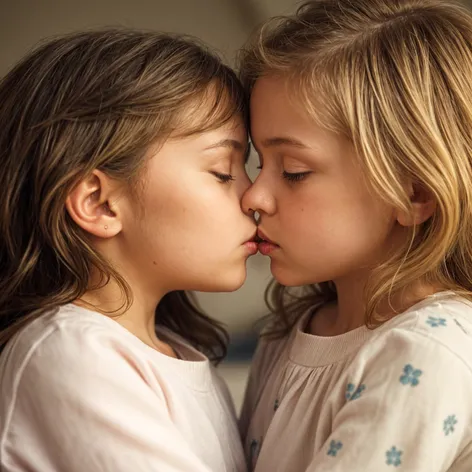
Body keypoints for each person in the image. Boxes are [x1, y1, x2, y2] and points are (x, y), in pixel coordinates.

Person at [0, 28, 256, 471]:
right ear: (99, 203)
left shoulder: (176, 354)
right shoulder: (71, 352)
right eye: (221, 172)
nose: (254, 197)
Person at [239, 0, 472, 470]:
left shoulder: (428, 351)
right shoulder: (286, 334)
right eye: (259, 164)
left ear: (413, 193)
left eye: (295, 171)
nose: (253, 197)